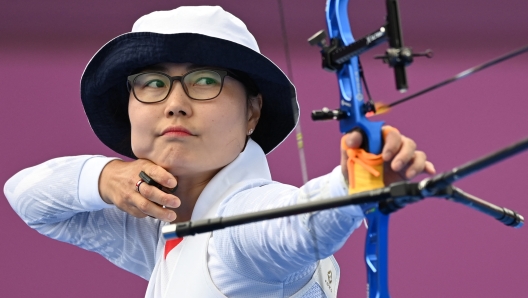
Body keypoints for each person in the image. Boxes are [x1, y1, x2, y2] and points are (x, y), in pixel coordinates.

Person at [4, 6, 434, 298]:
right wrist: (105, 177)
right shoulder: (158, 224)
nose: (174, 102)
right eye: (153, 83)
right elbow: (27, 197)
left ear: (252, 112)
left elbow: (296, 225)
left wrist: (357, 181)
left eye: (205, 81)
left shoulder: (240, 228)